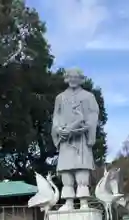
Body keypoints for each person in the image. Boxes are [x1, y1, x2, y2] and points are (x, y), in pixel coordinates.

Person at [51, 68, 99, 211]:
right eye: (70, 77)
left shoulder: (88, 97)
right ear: (66, 78)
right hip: (65, 140)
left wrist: (85, 129)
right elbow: (56, 117)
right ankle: (69, 203)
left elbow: (93, 115)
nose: (72, 79)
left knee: (81, 170)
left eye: (75, 77)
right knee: (66, 172)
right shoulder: (60, 97)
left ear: (81, 79)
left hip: (81, 140)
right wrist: (59, 130)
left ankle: (84, 202)